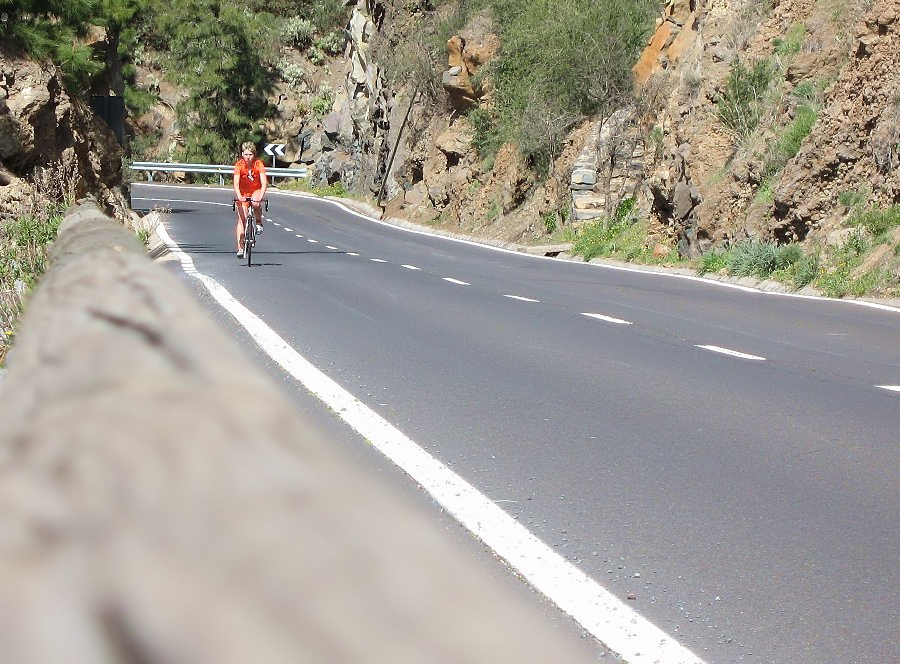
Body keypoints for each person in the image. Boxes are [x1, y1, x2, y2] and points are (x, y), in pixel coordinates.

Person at [232, 141, 268, 258]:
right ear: (242, 154)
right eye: (246, 154)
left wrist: (261, 195)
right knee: (242, 219)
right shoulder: (239, 165)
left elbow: (264, 183)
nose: (248, 157)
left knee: (255, 201)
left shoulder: (258, 164)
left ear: (254, 154)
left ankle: (258, 222)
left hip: (255, 190)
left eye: (250, 154)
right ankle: (240, 247)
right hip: (243, 192)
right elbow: (236, 184)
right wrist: (239, 196)